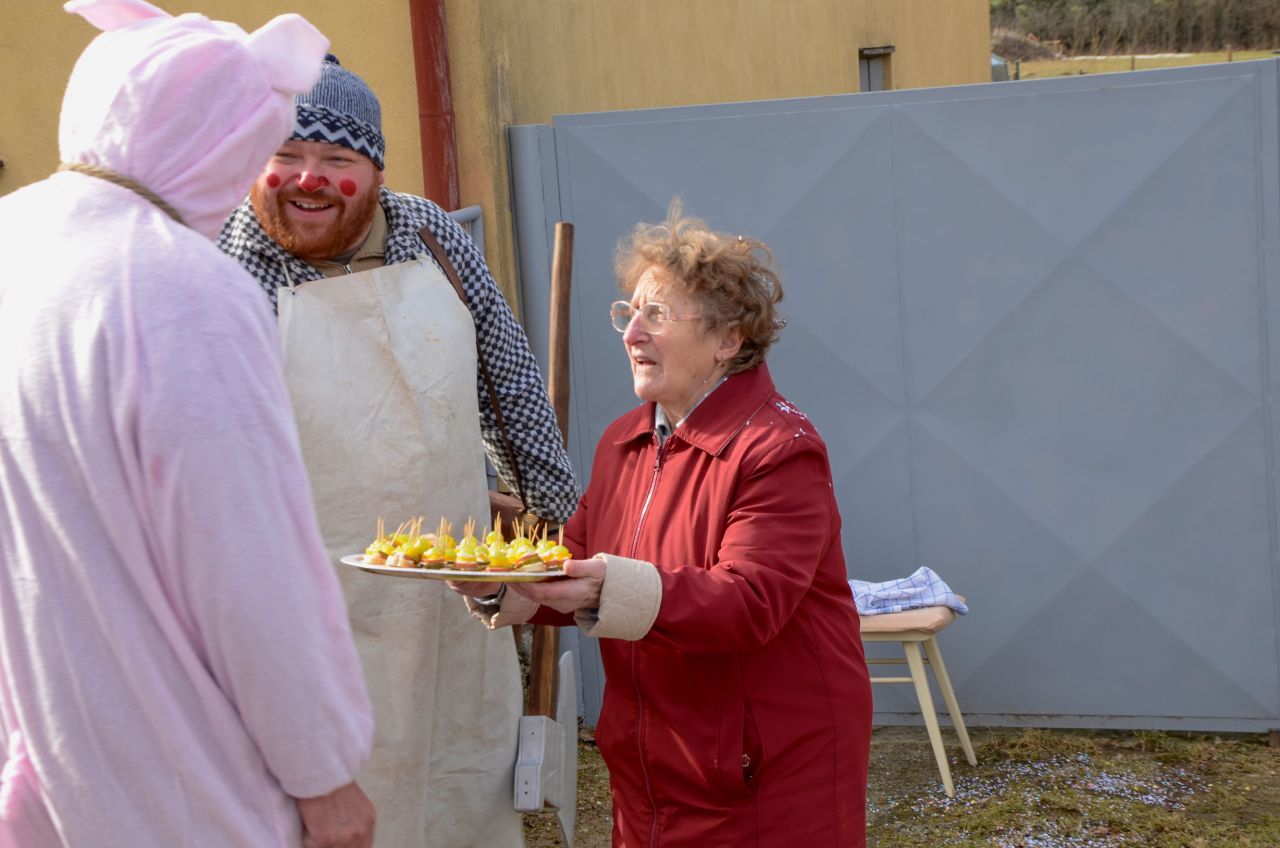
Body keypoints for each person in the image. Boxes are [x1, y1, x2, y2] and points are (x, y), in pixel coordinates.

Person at [0, 1, 376, 846]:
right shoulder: (180, 286)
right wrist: (322, 773)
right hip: (171, 779)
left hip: (38, 752)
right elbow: (246, 568)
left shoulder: (11, 240)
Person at [218, 57, 578, 848]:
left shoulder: (430, 236)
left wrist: (548, 518)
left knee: (461, 798)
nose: (308, 178)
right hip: (310, 626)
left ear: (376, 170)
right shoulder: (225, 265)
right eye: (285, 155)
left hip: (453, 605)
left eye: (336, 158)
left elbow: (507, 380)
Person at [456, 204, 874, 846]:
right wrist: (498, 585)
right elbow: (573, 559)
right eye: (628, 313)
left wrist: (604, 588)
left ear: (727, 339)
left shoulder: (779, 449)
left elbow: (749, 602)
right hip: (652, 770)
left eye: (657, 315)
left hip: (762, 778)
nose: (631, 334)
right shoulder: (623, 442)